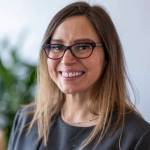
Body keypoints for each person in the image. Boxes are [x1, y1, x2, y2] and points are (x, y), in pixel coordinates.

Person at [8, 1, 150, 150]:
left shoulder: (137, 137)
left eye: (82, 47)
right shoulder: (26, 121)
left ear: (108, 55)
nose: (66, 60)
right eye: (57, 46)